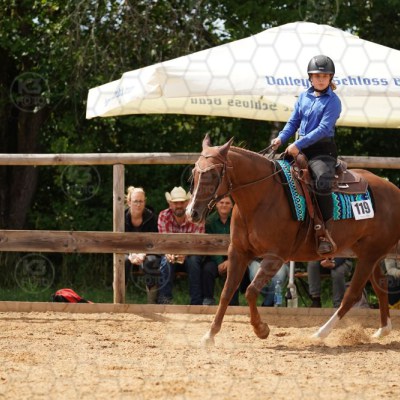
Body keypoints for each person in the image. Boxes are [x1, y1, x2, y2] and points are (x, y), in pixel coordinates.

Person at [271, 55, 342, 256]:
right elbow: (293, 122)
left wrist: (297, 144)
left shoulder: (334, 101)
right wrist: (281, 138)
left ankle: (325, 233)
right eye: (317, 76)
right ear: (310, 77)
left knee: (322, 182)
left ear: (330, 78)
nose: (321, 79)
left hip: (322, 151)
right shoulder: (303, 97)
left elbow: (323, 129)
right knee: (273, 173)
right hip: (299, 148)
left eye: (325, 76)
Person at [157, 186, 205, 305]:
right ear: (170, 204)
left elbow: (198, 242)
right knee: (166, 262)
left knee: (194, 261)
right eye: (175, 203)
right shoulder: (163, 215)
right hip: (171, 253)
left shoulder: (196, 216)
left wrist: (185, 253)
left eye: (182, 202)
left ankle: (196, 303)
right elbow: (164, 241)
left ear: (187, 203)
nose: (179, 205)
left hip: (191, 254)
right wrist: (170, 253)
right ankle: (164, 301)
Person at [202, 196, 241, 306]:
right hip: (214, 257)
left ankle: (233, 303)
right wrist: (219, 262)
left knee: (235, 269)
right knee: (207, 269)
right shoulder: (209, 221)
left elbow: (239, 242)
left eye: (227, 203)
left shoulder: (237, 220)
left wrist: (229, 261)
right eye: (221, 202)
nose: (224, 205)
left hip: (232, 257)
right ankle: (208, 299)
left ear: (232, 205)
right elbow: (211, 244)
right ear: (216, 205)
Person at [124, 186, 160, 303]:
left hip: (147, 251)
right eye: (135, 201)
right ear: (129, 202)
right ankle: (119, 300)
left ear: (145, 202)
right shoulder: (121, 217)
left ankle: (152, 302)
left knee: (151, 261)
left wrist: (143, 253)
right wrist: (131, 254)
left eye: (141, 201)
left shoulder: (151, 217)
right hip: (126, 250)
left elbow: (154, 241)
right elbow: (119, 241)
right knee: (122, 261)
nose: (138, 204)